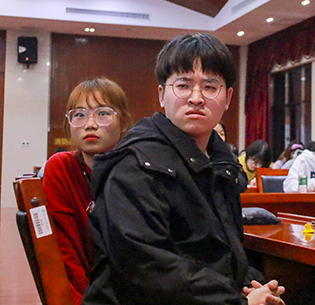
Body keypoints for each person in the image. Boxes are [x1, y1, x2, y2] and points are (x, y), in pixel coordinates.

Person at [82, 33, 284, 305]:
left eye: (210, 87)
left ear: (228, 98)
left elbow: (221, 253)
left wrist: (253, 287)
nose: (196, 98)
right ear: (162, 94)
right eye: (183, 85)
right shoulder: (134, 164)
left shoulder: (221, 162)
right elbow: (147, 268)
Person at [43, 78, 132, 305]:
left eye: (103, 113)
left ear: (123, 122)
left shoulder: (136, 169)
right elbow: (63, 252)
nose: (90, 124)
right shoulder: (62, 168)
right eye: (79, 115)